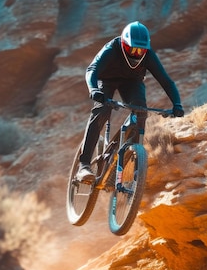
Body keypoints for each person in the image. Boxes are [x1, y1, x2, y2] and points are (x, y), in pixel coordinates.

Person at [76, 21, 184, 182]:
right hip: (106, 80)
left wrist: (177, 104)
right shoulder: (111, 49)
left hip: (132, 82)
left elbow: (166, 81)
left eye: (141, 50)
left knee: (141, 112)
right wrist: (94, 90)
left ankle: (131, 163)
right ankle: (83, 165)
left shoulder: (148, 55)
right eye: (132, 48)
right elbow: (92, 69)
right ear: (124, 43)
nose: (136, 53)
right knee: (103, 110)